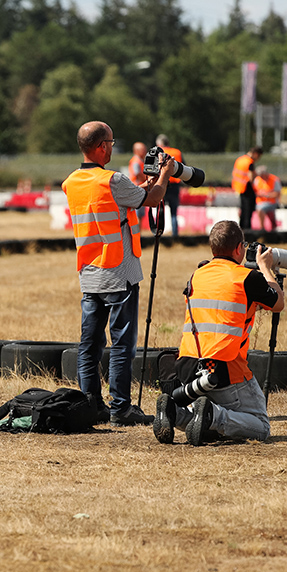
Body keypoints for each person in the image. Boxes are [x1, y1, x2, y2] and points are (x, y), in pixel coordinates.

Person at [62, 121, 174, 426]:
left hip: (89, 271)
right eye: (111, 143)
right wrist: (164, 174)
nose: (113, 147)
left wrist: (145, 183)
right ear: (101, 147)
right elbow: (152, 199)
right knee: (122, 343)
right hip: (118, 271)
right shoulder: (112, 179)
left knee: (90, 344)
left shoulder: (71, 182)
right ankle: (121, 408)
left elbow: (118, 200)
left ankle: (92, 405)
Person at [152, 220, 284, 446]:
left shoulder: (197, 274)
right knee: (261, 427)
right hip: (225, 369)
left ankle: (174, 412)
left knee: (203, 421)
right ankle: (214, 415)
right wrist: (265, 267)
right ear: (238, 249)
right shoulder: (246, 278)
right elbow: (278, 302)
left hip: (189, 367)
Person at [148, 134, 183, 238]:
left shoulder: (156, 152)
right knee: (173, 212)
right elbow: (182, 168)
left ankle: (158, 234)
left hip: (162, 184)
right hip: (175, 185)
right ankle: (175, 235)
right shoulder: (177, 152)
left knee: (159, 210)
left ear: (159, 143)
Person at [232, 146, 264, 230]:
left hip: (239, 188)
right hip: (247, 188)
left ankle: (241, 229)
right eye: (259, 156)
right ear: (256, 154)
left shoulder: (240, 160)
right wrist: (256, 175)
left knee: (243, 211)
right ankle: (247, 230)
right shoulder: (250, 162)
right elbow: (250, 178)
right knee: (248, 212)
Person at [253, 165, 281, 231]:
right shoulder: (257, 180)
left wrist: (266, 195)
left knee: (260, 209)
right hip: (259, 202)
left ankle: (262, 228)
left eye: (262, 175)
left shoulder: (274, 180)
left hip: (272, 202)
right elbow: (254, 192)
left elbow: (277, 194)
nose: (261, 177)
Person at [128, 142, 149, 229]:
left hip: (140, 189)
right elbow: (138, 174)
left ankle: (138, 236)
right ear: (136, 151)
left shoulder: (139, 160)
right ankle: (137, 236)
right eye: (143, 149)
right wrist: (148, 180)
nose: (145, 151)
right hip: (137, 189)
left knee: (139, 215)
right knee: (137, 215)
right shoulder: (136, 161)